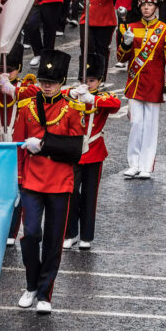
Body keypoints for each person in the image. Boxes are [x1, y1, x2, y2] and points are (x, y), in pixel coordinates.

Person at [14, 49, 84, 315]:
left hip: (60, 183)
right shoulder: (26, 108)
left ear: (61, 82)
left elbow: (75, 149)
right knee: (31, 234)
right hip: (31, 181)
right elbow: (17, 146)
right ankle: (31, 285)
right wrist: (17, 181)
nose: (47, 85)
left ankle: (45, 293)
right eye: (44, 81)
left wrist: (43, 145)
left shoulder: (71, 109)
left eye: (52, 82)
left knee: (54, 241)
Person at [117, 0, 166, 178]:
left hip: (154, 85)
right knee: (136, 124)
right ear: (139, 5)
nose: (146, 8)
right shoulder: (130, 28)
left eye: (150, 4)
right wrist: (125, 44)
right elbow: (121, 57)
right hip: (134, 83)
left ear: (156, 7)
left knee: (150, 127)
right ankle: (133, 163)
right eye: (143, 4)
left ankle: (146, 165)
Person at [62, 53, 119, 251]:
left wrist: (91, 98)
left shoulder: (102, 97)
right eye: (84, 80)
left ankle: (86, 235)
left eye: (92, 80)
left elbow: (115, 104)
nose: (87, 83)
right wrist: (73, 94)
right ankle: (70, 233)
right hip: (73, 151)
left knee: (89, 195)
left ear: (100, 81)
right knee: (70, 193)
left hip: (94, 151)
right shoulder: (71, 94)